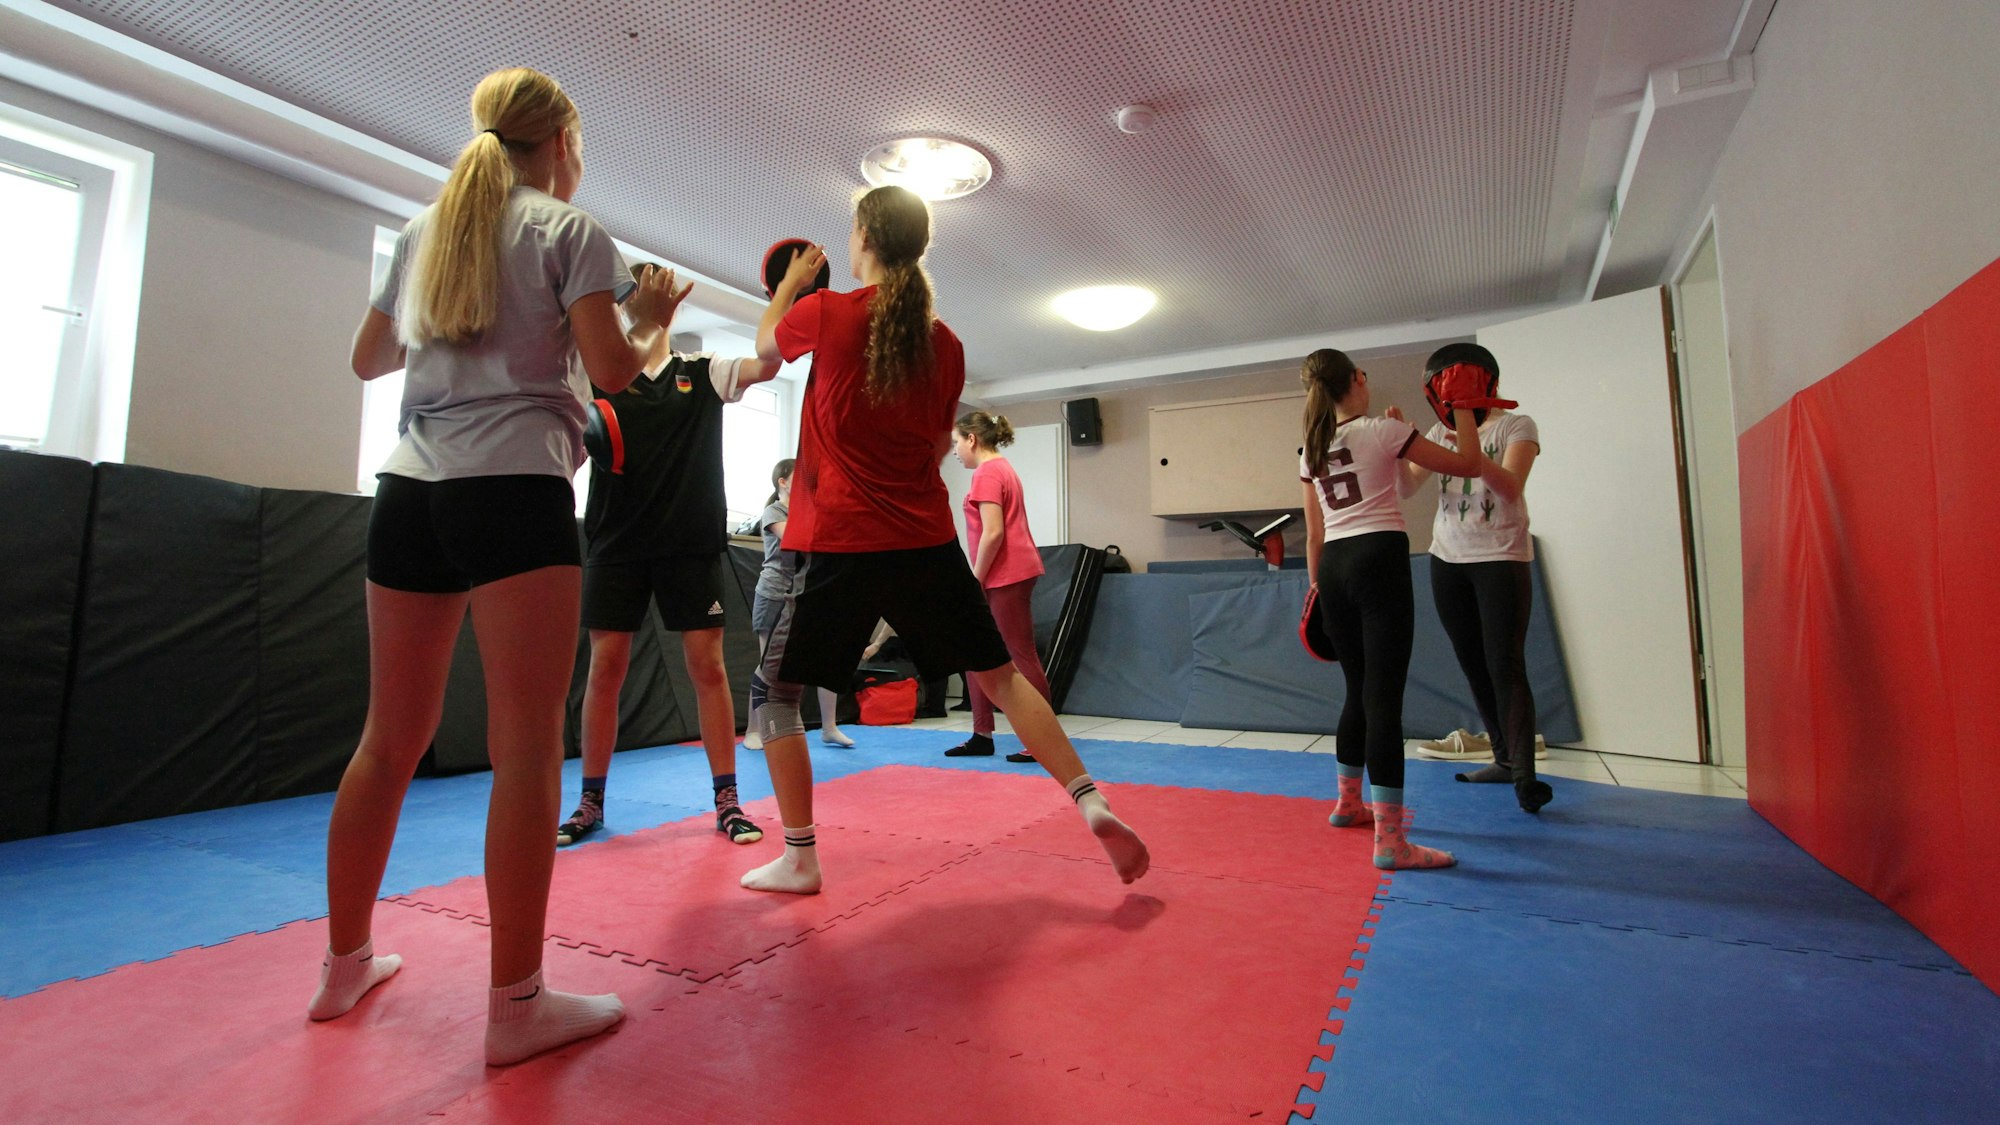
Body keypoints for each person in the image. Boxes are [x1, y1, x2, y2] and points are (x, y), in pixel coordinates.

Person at [319, 67, 668, 1065]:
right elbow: (612, 372)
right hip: (511, 492)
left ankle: (345, 965)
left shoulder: (426, 230)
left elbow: (367, 360)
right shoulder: (569, 232)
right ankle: (514, 1006)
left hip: (408, 495)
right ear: (559, 141)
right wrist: (648, 317)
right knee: (523, 744)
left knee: (388, 740)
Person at [741, 184, 1149, 895]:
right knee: (1001, 677)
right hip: (923, 539)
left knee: (776, 696)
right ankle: (1089, 796)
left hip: (837, 541)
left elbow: (762, 347)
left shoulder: (828, 312)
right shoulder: (945, 342)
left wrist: (794, 285)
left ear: (863, 238)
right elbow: (934, 450)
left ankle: (801, 855)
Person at [554, 260, 787, 848]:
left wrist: (784, 291)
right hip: (615, 544)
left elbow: (769, 363)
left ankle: (727, 801)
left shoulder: (703, 372)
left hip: (689, 545)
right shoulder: (599, 373)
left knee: (707, 668)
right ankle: (589, 801)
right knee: (604, 670)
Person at [1299, 348, 1486, 870]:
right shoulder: (1379, 430)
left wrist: (1318, 588)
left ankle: (1348, 804)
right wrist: (1465, 407)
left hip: (1334, 566)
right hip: (1378, 559)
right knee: (1383, 701)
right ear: (1357, 380)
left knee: (1358, 693)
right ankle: (1390, 843)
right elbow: (1470, 463)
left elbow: (1327, 527)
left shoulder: (1312, 447)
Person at [1396, 344, 1554, 813]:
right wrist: (1403, 443)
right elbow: (1407, 487)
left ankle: (1525, 774)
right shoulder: (1438, 434)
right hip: (1447, 560)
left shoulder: (1515, 425)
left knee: (1506, 664)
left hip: (1501, 558)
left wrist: (1467, 423)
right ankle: (1504, 760)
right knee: (1474, 663)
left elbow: (1509, 488)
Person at [941, 410, 1052, 764]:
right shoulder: (1000, 469)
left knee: (1020, 655)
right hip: (1002, 573)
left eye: (957, 442)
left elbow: (993, 532)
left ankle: (1041, 740)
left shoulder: (989, 473)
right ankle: (981, 733)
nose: (955, 451)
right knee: (975, 650)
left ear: (972, 439)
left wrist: (975, 577)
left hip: (1005, 574)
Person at [747, 456, 853, 751]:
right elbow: (797, 538)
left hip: (806, 594)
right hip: (774, 594)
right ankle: (755, 730)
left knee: (824, 660)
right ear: (783, 482)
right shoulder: (774, 511)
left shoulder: (810, 510)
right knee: (766, 666)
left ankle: (829, 727)